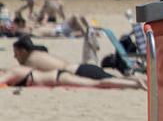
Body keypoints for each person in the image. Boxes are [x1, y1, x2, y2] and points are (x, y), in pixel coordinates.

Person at [12, 35, 115, 80]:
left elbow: (18, 74)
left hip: (81, 73)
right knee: (117, 79)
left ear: (23, 51)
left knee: (118, 81)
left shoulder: (30, 61)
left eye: (16, 53)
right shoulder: (38, 53)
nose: (15, 56)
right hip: (83, 68)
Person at [0, 63, 146, 90]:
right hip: (58, 76)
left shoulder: (11, 73)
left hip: (58, 78)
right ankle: (135, 81)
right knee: (98, 82)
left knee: (97, 83)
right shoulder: (14, 71)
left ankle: (135, 84)